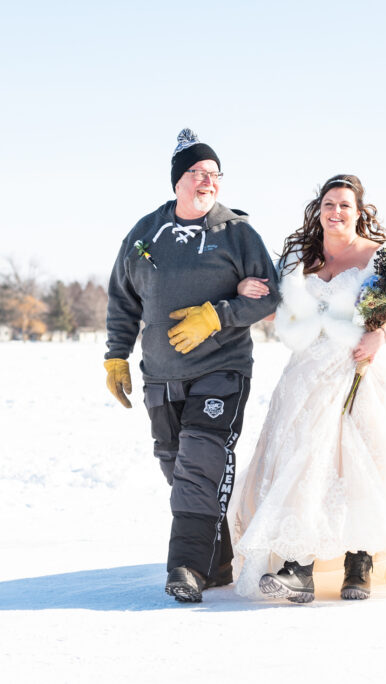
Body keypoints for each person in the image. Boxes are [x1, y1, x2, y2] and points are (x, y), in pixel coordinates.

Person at [230, 174, 386, 603]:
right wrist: (243, 290)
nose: (336, 212)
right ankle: (298, 568)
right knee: (303, 461)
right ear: (319, 209)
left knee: (360, 464)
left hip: (361, 368)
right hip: (307, 374)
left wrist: (381, 336)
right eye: (329, 204)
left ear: (359, 212)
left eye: (345, 205)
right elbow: (276, 309)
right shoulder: (299, 257)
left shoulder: (379, 257)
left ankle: (359, 563)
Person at [104, 128, 280, 603]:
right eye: (198, 172)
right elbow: (123, 299)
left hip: (221, 369)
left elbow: (270, 296)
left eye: (214, 173)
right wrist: (116, 354)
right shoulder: (145, 233)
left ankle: (185, 567)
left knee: (200, 464)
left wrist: (217, 316)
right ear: (177, 180)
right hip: (161, 375)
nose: (208, 180)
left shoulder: (237, 233)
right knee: (177, 467)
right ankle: (216, 562)